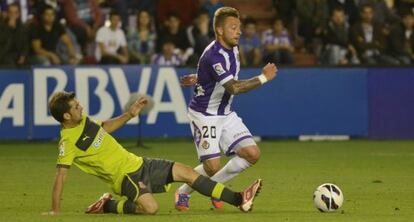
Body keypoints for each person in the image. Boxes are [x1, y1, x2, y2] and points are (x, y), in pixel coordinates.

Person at [42, 91, 262, 216]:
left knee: (188, 173)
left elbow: (106, 126)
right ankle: (108, 205)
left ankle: (239, 199)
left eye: (78, 103)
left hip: (139, 163)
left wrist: (130, 114)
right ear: (66, 117)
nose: (80, 106)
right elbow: (60, 176)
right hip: (125, 178)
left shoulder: (85, 121)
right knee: (150, 209)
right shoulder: (67, 143)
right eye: (75, 106)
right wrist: (55, 210)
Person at [175, 7, 277, 211]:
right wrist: (264, 77)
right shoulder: (214, 55)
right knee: (212, 166)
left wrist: (198, 78)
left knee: (252, 154)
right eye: (233, 28)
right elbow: (234, 87)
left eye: (239, 27)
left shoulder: (233, 47)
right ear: (220, 31)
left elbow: (215, 75)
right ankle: (183, 192)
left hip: (225, 112)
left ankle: (216, 189)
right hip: (204, 115)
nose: (238, 32)